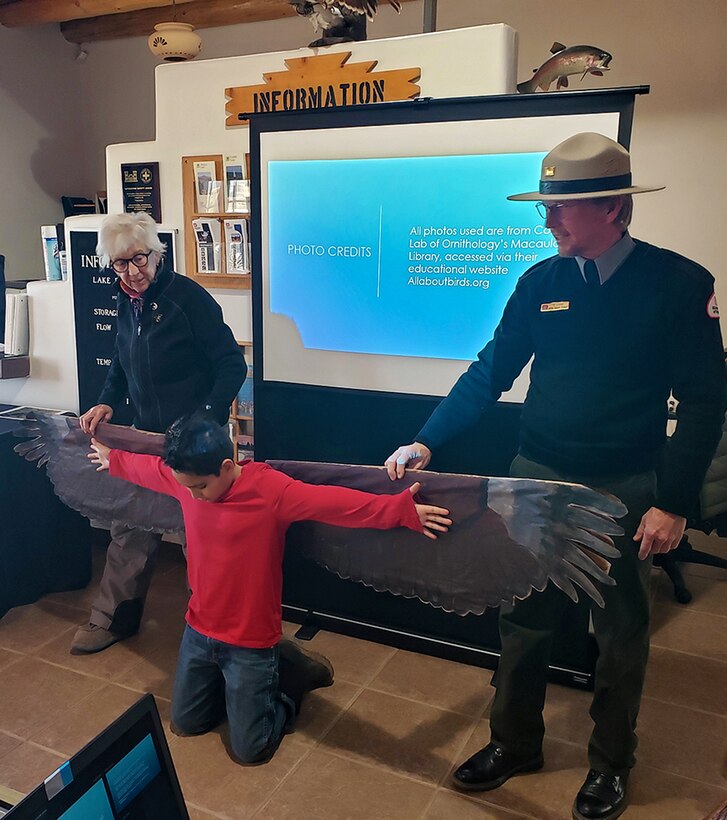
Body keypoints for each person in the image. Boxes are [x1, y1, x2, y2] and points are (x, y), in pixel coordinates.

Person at [385, 133, 726, 820]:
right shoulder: (538, 285)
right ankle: (514, 742)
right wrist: (427, 440)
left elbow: (704, 400)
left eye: (561, 209)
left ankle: (609, 764)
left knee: (619, 631)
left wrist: (674, 502)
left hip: (623, 486)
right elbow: (490, 371)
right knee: (523, 620)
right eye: (546, 208)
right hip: (536, 475)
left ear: (613, 209)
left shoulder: (677, 285)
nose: (547, 223)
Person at [89, 413, 451, 764]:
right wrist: (114, 459)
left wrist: (401, 511)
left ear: (228, 467)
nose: (194, 496)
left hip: (251, 640)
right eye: (187, 487)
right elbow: (148, 470)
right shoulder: (185, 480)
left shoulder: (271, 491)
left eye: (201, 486)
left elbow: (336, 504)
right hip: (199, 630)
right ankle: (245, 688)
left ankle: (290, 681)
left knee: (251, 750)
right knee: (186, 724)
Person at [73, 212, 247, 655]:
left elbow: (232, 365)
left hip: (198, 441)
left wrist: (204, 418)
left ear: (157, 253)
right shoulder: (124, 300)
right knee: (129, 525)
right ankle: (114, 617)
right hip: (146, 436)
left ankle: (212, 629)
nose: (132, 272)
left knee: (202, 538)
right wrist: (107, 400)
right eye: (119, 264)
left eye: (139, 259)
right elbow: (119, 362)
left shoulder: (189, 299)